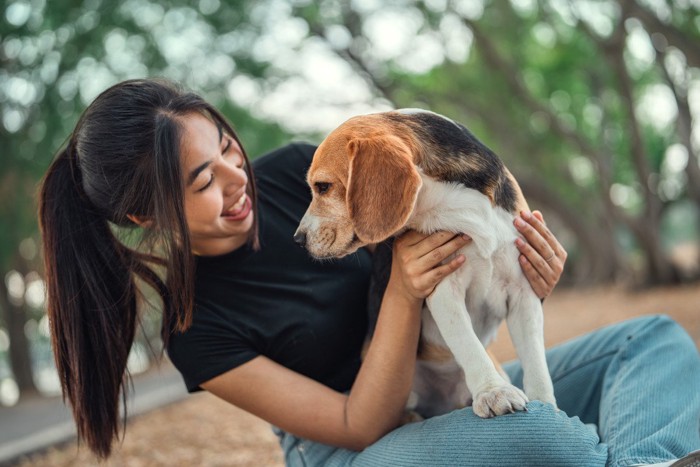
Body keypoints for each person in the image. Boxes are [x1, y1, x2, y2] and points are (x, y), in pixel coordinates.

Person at [38, 78, 700, 467]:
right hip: (359, 448)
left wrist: (522, 274)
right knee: (539, 430)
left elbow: (458, 277)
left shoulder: (307, 169)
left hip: (450, 386)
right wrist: (404, 294)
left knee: (652, 340)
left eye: (227, 146)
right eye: (201, 179)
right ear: (142, 213)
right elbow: (360, 422)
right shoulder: (194, 328)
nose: (236, 178)